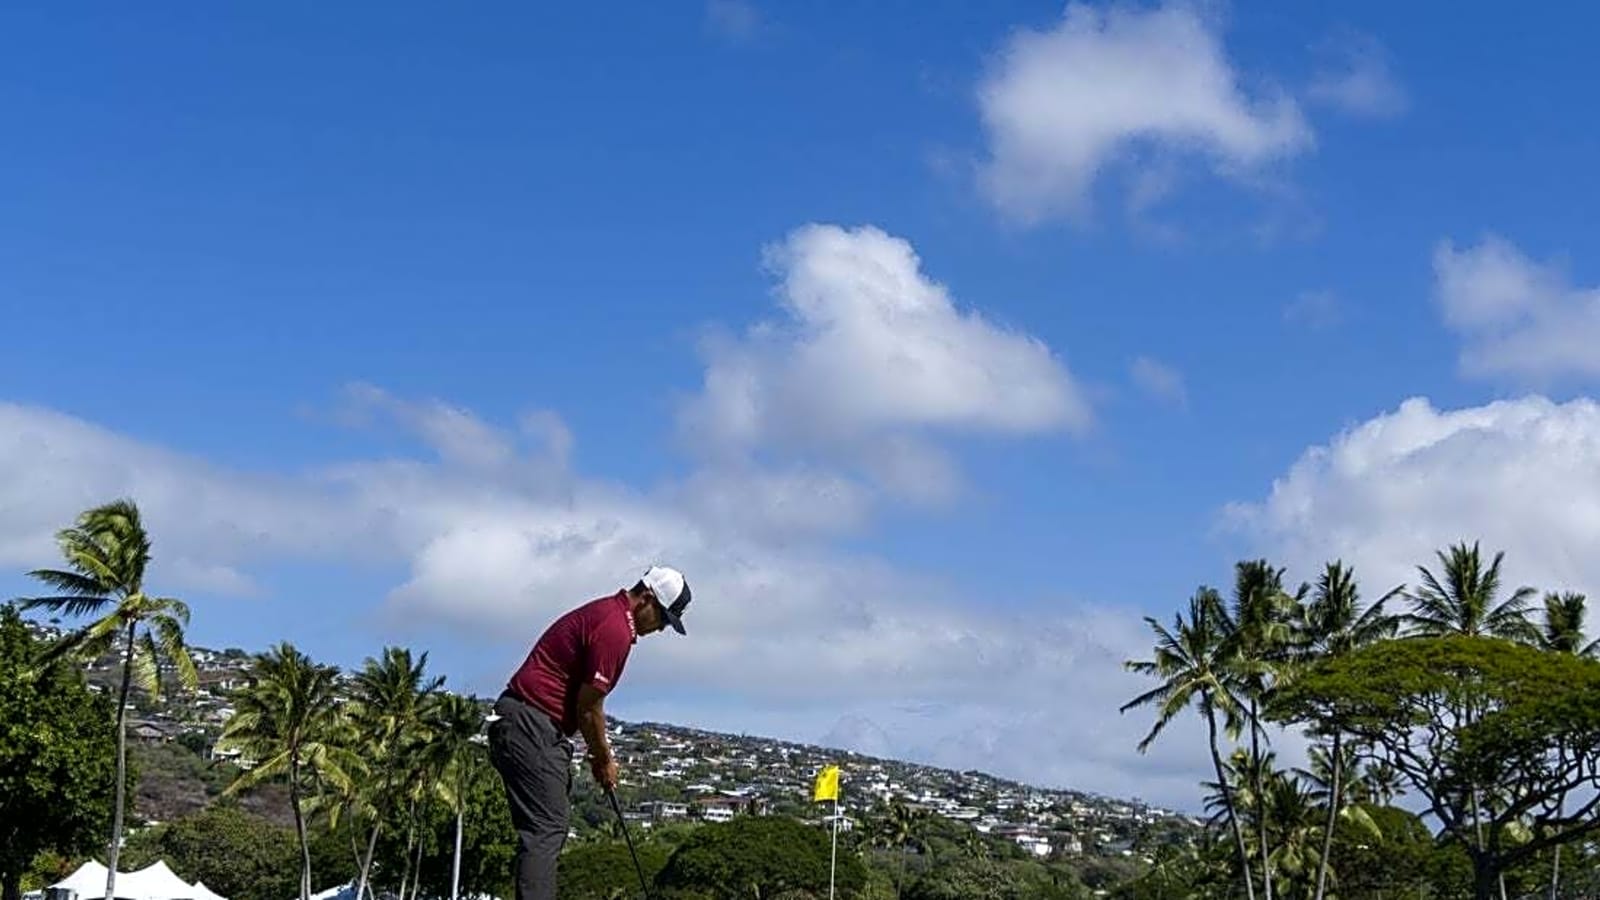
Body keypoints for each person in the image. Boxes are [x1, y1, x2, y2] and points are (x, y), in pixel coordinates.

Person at [487, 564, 693, 900]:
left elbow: (585, 707)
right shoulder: (614, 630)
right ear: (647, 599)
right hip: (533, 724)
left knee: (542, 828)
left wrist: (597, 756)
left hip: (523, 722)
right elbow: (589, 707)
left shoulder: (608, 615)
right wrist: (604, 759)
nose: (660, 630)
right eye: (663, 619)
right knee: (546, 829)